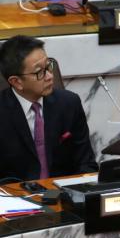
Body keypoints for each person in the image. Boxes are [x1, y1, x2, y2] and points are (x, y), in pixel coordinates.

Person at [0, 36, 98, 181]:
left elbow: (86, 163)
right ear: (17, 82)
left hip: (63, 190)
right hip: (15, 192)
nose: (50, 76)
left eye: (48, 66)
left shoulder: (69, 103)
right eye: (39, 72)